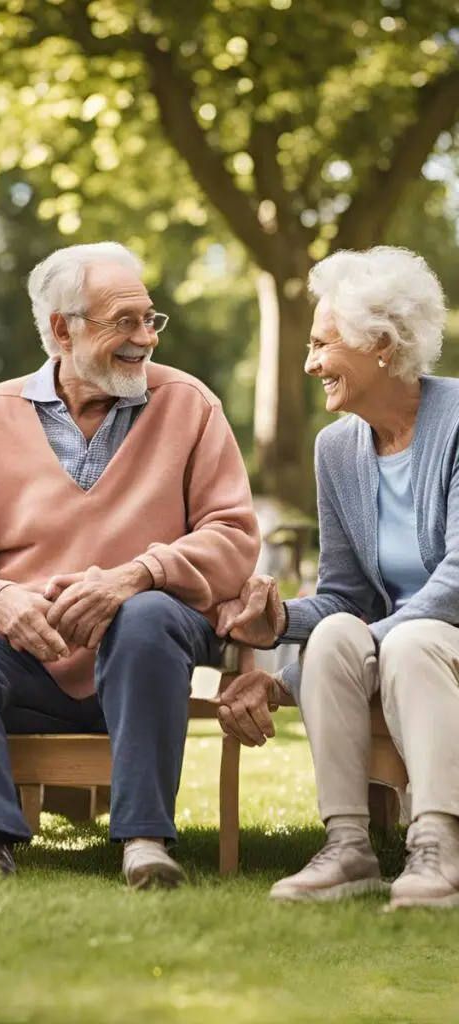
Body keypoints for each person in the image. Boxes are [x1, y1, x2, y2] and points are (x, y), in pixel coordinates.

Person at [0, 242, 260, 887]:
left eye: (151, 319)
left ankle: (144, 841)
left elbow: (234, 536)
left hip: (148, 656)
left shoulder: (189, 405)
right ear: (62, 330)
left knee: (146, 615)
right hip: (31, 663)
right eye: (124, 322)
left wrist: (137, 574)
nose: (145, 338)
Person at [216, 246, 459, 910]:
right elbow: (345, 593)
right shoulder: (339, 448)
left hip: (442, 644)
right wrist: (282, 625)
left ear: (381, 344)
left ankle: (439, 848)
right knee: (335, 637)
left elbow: (456, 579)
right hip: (400, 646)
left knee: (405, 642)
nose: (310, 362)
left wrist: (372, 640)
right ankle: (349, 848)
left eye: (322, 343)